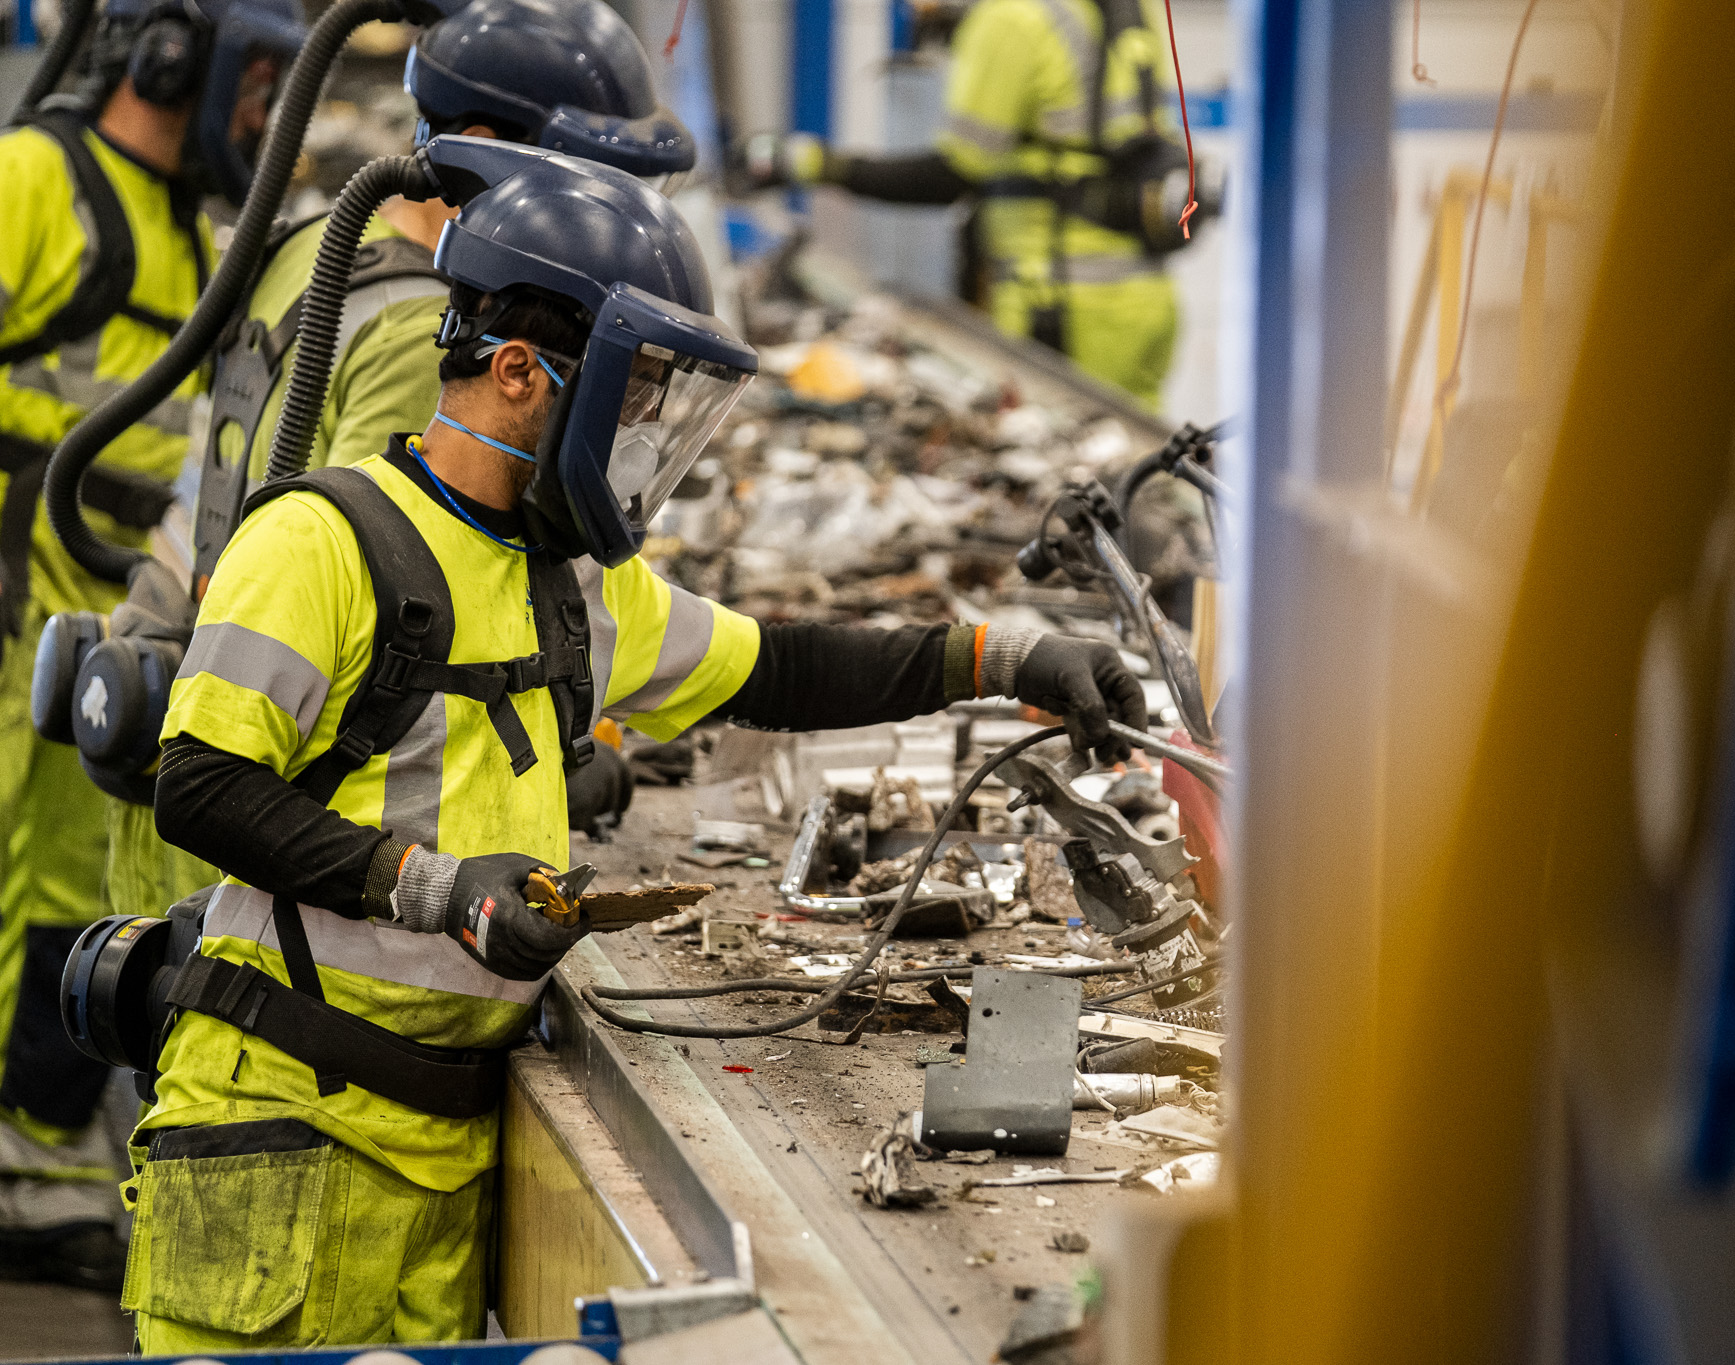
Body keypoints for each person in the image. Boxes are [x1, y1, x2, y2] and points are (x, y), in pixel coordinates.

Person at [124, 151, 1146, 1349]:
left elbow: (776, 668)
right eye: (632, 396)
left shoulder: (575, 590)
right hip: (281, 1129)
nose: (642, 433)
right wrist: (433, 888)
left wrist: (1002, 659)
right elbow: (195, 789)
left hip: (444, 1154)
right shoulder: (319, 545)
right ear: (518, 372)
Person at [105, 0, 693, 928]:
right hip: (258, 858)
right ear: (494, 147)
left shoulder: (314, 250)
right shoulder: (417, 327)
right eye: (596, 180)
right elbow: (391, 616)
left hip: (181, 738)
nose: (606, 215)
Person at [0, 0, 302, 1289]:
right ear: (176, 55)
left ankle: (35, 1156)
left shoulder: (194, 228)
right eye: (261, 78)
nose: (265, 112)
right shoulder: (33, 180)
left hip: (97, 605)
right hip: (19, 577)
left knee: (65, 895)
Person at [746, 0, 1209, 410]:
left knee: (1064, 481)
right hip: (1146, 300)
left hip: (1060, 306)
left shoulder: (1012, 18)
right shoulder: (1127, 7)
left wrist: (814, 165)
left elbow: (951, 175)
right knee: (1141, 484)